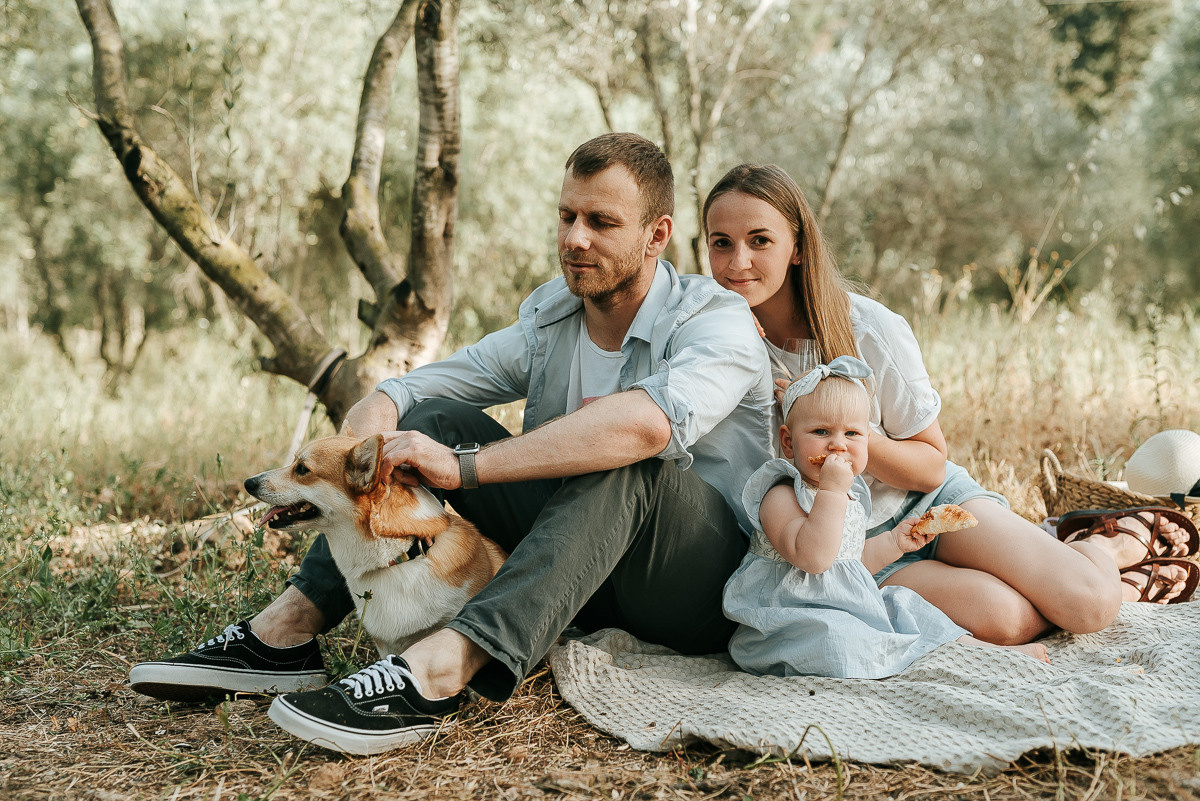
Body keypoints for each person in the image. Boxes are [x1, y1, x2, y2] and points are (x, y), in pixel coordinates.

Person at [128, 133, 775, 755]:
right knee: (433, 417)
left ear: (657, 235)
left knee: (629, 461)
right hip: (582, 563)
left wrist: (466, 468)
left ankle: (445, 665)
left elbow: (646, 426)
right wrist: (374, 422)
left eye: (601, 222)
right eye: (567, 217)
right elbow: (416, 388)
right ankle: (288, 631)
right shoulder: (553, 316)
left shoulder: (715, 318)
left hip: (695, 585)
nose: (575, 239)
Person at [702, 163, 1198, 645]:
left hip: (926, 504)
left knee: (1089, 604)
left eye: (760, 240)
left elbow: (930, 467)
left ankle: (1103, 542)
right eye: (721, 243)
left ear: (797, 247)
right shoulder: (711, 345)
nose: (737, 262)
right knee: (1010, 621)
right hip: (852, 554)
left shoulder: (868, 328)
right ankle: (1090, 574)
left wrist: (841, 432)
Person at [723, 357, 1047, 679]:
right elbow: (815, 559)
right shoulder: (780, 494)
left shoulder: (849, 495)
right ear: (788, 442)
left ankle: (990, 653)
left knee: (909, 608)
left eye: (852, 433)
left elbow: (849, 564)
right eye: (821, 431)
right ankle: (901, 654)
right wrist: (832, 491)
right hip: (792, 617)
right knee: (840, 638)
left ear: (867, 440)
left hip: (841, 604)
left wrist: (894, 542)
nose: (838, 445)